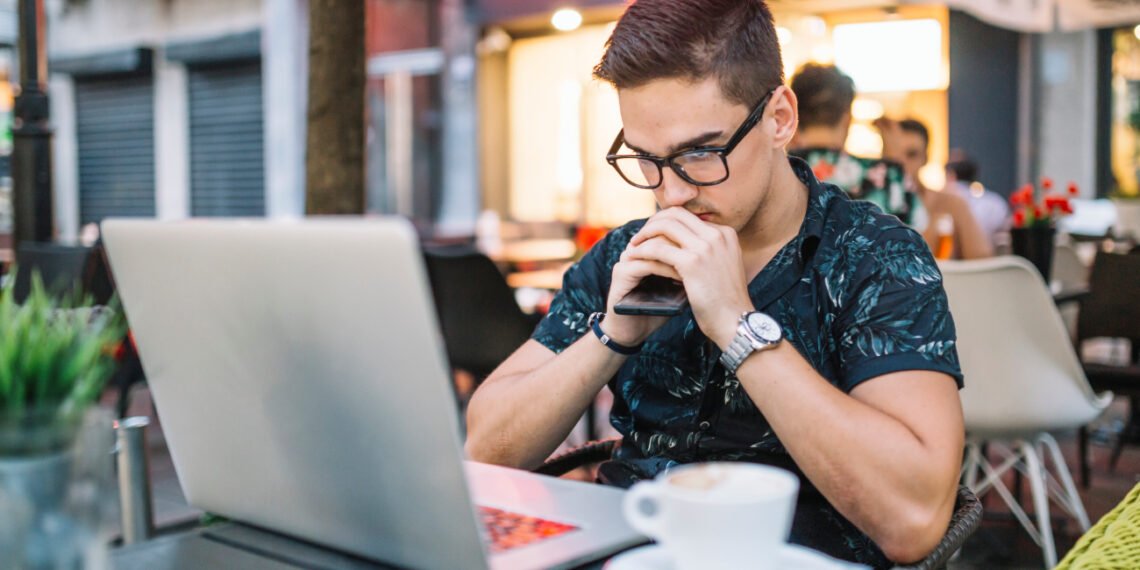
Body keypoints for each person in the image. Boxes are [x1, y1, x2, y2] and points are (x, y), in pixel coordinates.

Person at [465, 1, 965, 567]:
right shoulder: (624, 255)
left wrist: (738, 326)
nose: (670, 194)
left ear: (779, 118)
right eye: (646, 159)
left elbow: (914, 519)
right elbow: (486, 450)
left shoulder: (874, 258)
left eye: (700, 154)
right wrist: (613, 334)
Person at [788, 63, 919, 226]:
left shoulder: (779, 171)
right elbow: (916, 236)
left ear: (793, 113)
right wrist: (892, 164)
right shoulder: (888, 177)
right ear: (847, 119)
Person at [875, 118, 994, 260]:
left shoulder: (952, 204)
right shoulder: (872, 209)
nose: (902, 163)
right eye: (894, 155)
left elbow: (982, 259)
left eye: (912, 154)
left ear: (925, 158)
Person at [944, 152, 1011, 250]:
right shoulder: (995, 202)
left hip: (947, 264)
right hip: (991, 263)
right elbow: (1005, 238)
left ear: (951, 175)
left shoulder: (942, 203)